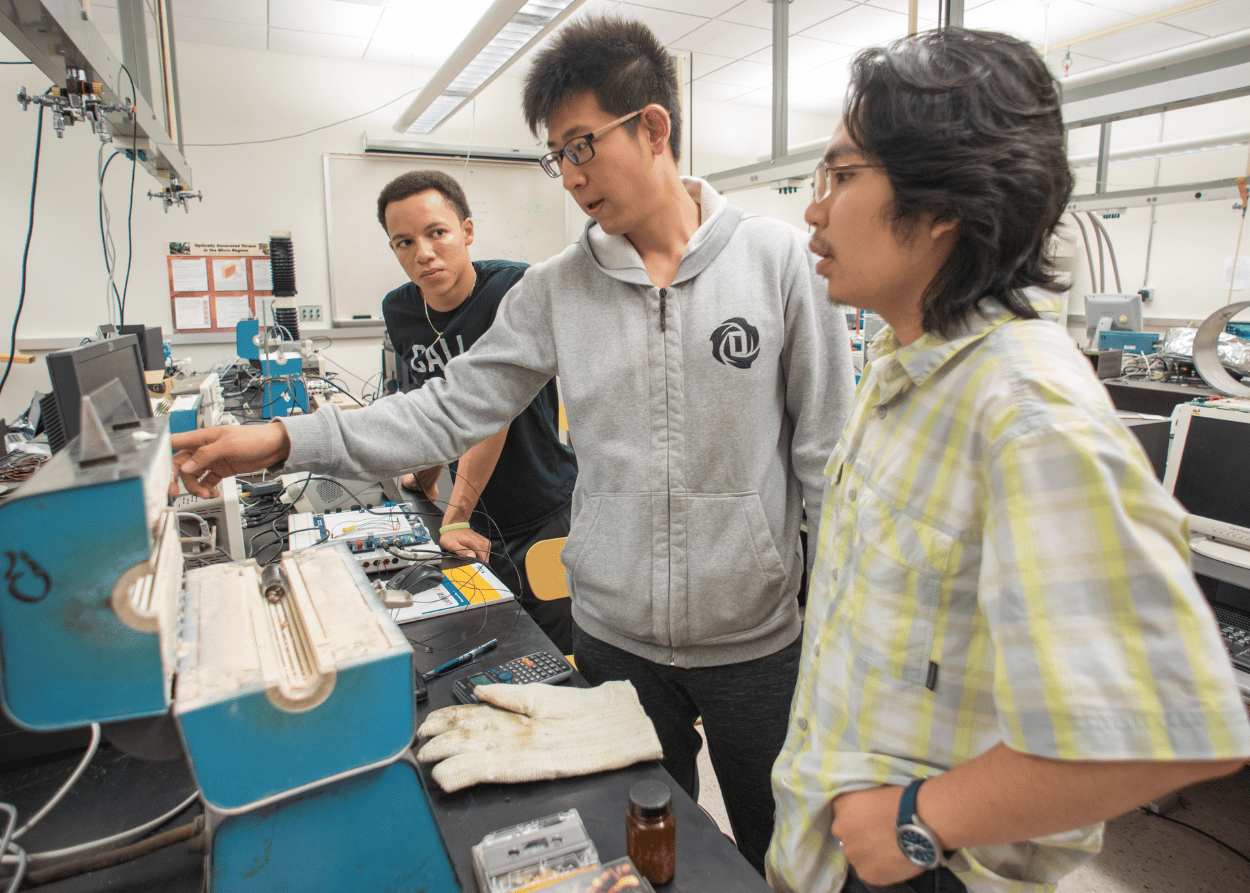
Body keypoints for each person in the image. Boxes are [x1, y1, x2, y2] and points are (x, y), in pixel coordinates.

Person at [169, 16, 854, 875]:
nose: (569, 177)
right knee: (645, 855)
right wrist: (282, 438)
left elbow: (829, 467)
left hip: (760, 639)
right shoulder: (555, 291)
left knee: (779, 854)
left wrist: (837, 639)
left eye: (581, 147)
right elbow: (444, 410)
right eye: (554, 156)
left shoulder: (785, 265)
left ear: (652, 126)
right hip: (615, 640)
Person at [766, 28, 1250, 893]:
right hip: (835, 852)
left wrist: (919, 819)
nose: (814, 208)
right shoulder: (899, 366)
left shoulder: (1026, 409)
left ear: (941, 201)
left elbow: (1164, 726)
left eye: (840, 176)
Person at [377, 169, 577, 653]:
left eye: (436, 233)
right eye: (403, 242)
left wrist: (453, 515)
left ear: (466, 232)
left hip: (541, 512)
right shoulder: (400, 310)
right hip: (473, 517)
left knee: (560, 653)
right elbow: (436, 406)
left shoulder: (512, 289)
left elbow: (492, 415)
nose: (422, 253)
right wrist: (425, 479)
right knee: (497, 647)